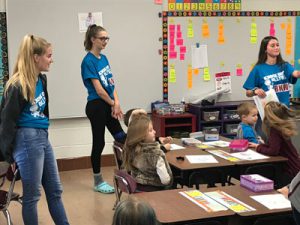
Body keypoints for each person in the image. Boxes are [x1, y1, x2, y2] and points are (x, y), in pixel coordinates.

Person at [0, 35, 69, 225]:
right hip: (27, 139)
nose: (51, 59)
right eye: (48, 55)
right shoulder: (17, 85)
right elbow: (6, 123)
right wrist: (8, 156)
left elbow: (43, 112)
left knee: (55, 190)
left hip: (42, 137)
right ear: (35, 57)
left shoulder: (41, 80)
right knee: (32, 196)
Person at [81, 24, 126, 194]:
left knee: (122, 137)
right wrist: (113, 104)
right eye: (102, 38)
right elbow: (99, 90)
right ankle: (98, 181)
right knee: (98, 142)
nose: (105, 41)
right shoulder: (88, 61)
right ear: (93, 39)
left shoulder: (104, 58)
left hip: (108, 104)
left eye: (107, 38)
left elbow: (111, 83)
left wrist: (117, 102)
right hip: (97, 105)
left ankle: (125, 175)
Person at [243, 36, 300, 140]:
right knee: (268, 143)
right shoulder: (258, 69)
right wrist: (255, 91)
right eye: (273, 45)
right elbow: (248, 92)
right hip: (267, 114)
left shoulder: (284, 66)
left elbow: (295, 74)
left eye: (277, 45)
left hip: (283, 113)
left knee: (285, 143)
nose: (276, 47)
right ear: (265, 49)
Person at [250, 101, 300, 187]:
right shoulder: (279, 127)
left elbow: (273, 151)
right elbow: (274, 147)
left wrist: (258, 147)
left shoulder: (274, 130)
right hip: (294, 166)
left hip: (289, 170)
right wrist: (259, 146)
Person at [122, 115, 173, 191]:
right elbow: (165, 180)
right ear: (141, 136)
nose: (154, 132)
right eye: (151, 130)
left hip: (137, 189)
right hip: (155, 192)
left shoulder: (131, 149)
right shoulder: (156, 155)